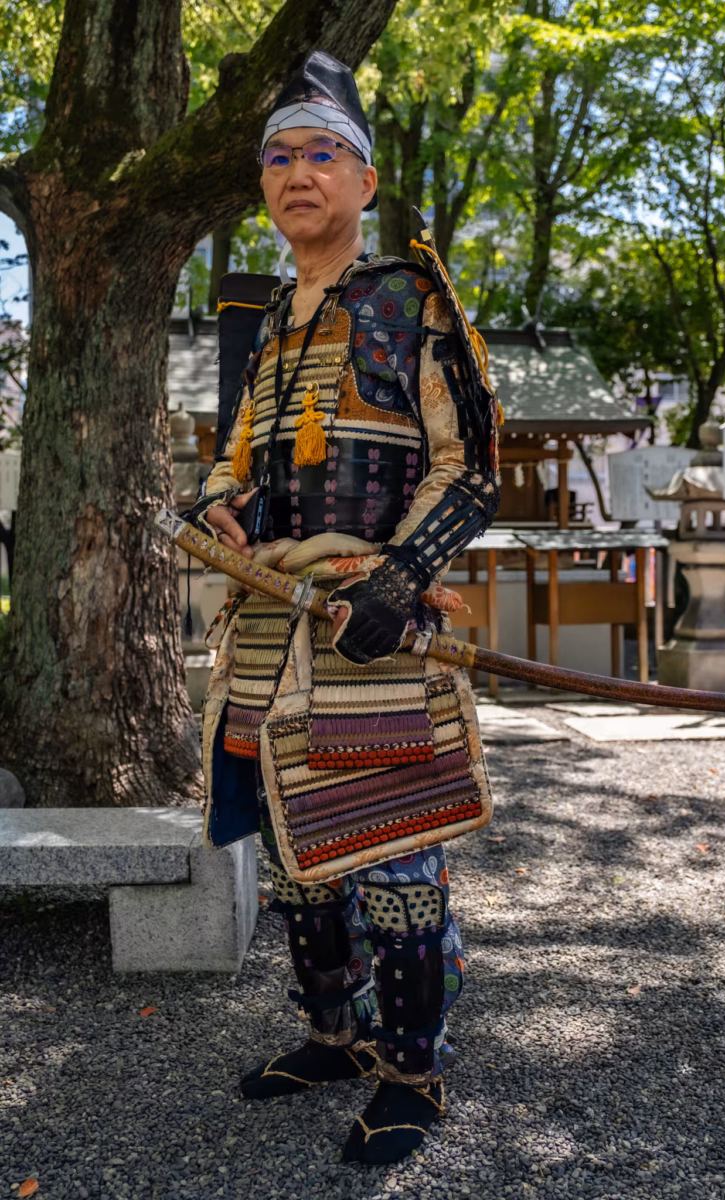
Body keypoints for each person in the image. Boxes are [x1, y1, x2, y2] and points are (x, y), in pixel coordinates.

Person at [192, 51, 500, 1165]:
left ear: (364, 181)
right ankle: (333, 1034)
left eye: (322, 153)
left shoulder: (409, 300)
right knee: (292, 850)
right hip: (269, 621)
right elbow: (231, 461)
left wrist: (400, 577)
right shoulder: (265, 316)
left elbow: (469, 467)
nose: (296, 173)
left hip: (370, 620)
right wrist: (218, 502)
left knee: (392, 853)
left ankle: (413, 1073)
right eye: (278, 156)